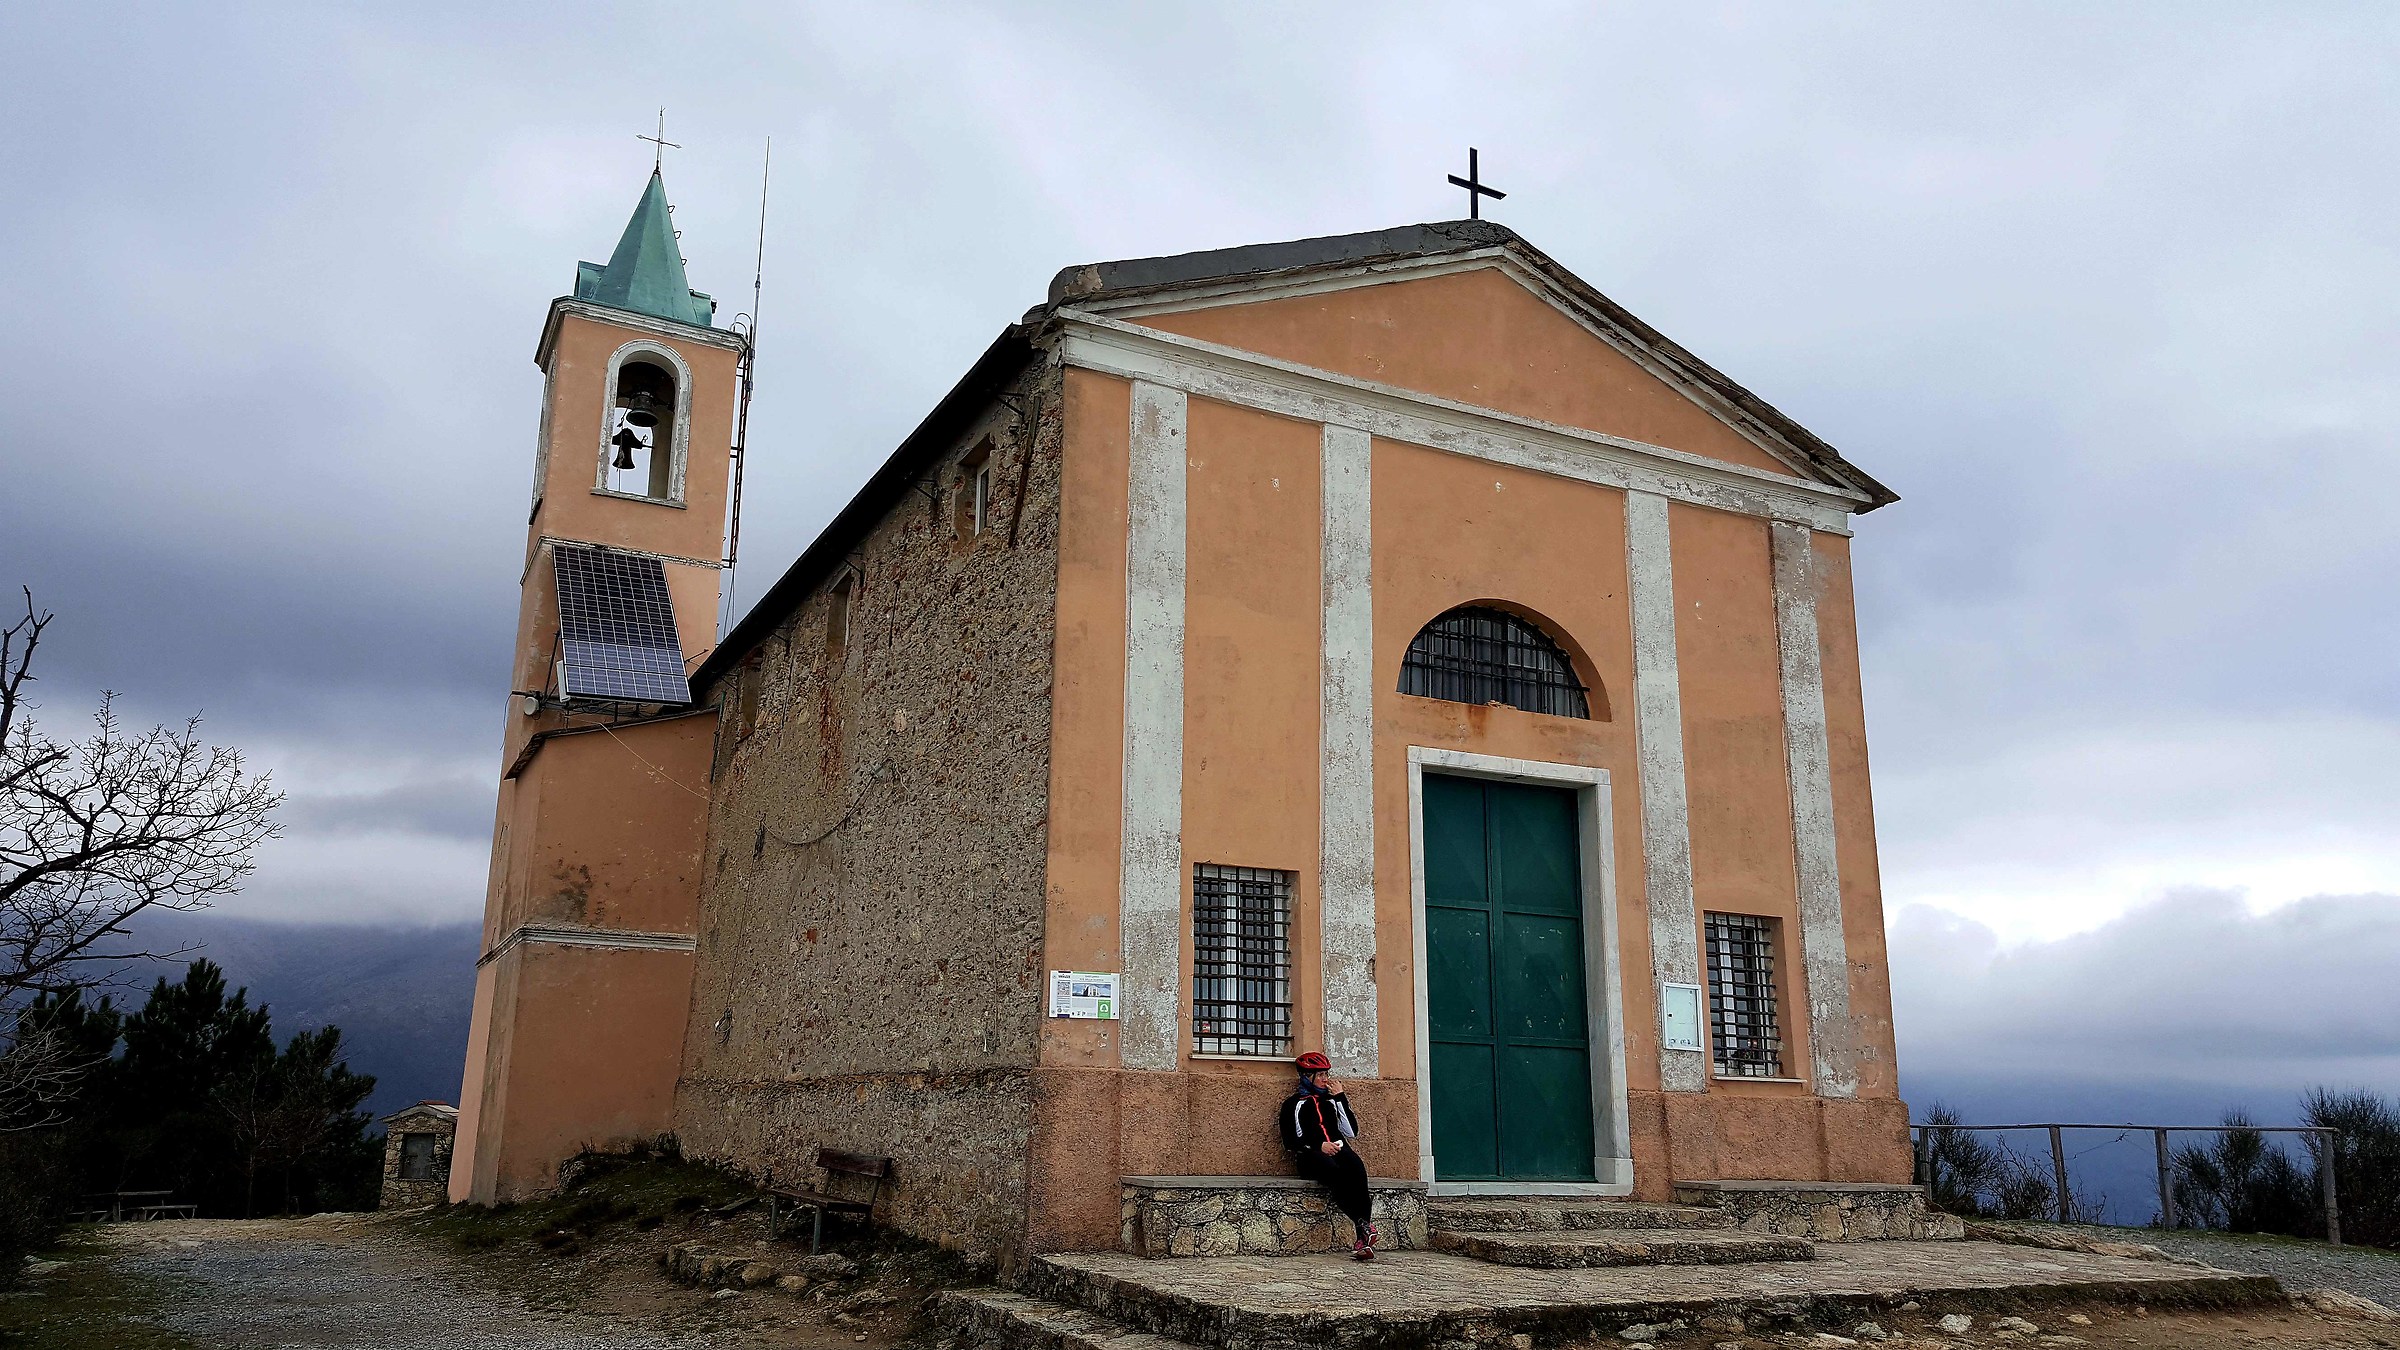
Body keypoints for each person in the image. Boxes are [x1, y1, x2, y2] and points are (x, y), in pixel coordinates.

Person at [1279, 1051, 1378, 1260]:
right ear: (1307, 1077)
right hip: (1310, 1156)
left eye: (1326, 1074)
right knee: (1333, 1172)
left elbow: (1351, 1132)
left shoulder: (1332, 1101)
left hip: (1338, 1150)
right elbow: (1290, 1142)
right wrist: (1318, 1145)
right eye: (1321, 1075)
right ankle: (1363, 1226)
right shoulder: (1293, 1105)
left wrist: (1340, 1097)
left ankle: (1363, 1235)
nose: (1326, 1079)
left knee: (1356, 1167)